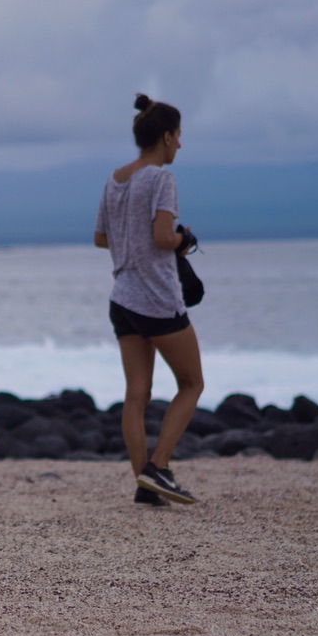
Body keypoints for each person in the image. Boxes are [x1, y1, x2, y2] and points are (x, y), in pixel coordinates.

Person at [93, 93, 204, 506]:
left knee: (136, 393)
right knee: (192, 384)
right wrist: (184, 238)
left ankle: (145, 487)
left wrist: (132, 247)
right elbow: (162, 238)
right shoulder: (160, 179)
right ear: (166, 136)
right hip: (157, 300)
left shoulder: (115, 178)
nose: (180, 144)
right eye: (178, 136)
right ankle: (158, 468)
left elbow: (101, 237)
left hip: (121, 299)